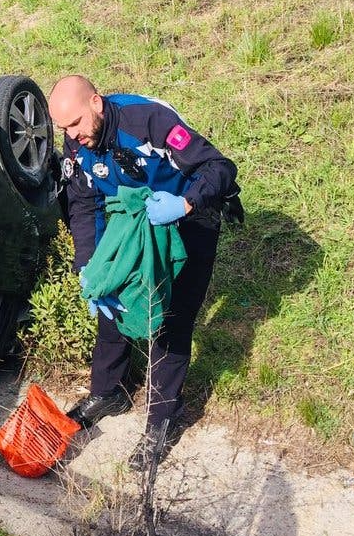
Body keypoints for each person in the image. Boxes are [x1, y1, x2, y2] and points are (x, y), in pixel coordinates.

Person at [47, 75, 239, 471]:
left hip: (188, 212)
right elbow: (84, 206)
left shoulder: (148, 121)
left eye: (76, 123)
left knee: (171, 314)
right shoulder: (77, 142)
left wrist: (184, 204)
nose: (71, 135)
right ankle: (109, 390)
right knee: (113, 295)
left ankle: (162, 419)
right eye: (63, 128)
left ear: (97, 103)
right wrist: (90, 267)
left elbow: (219, 168)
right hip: (136, 217)